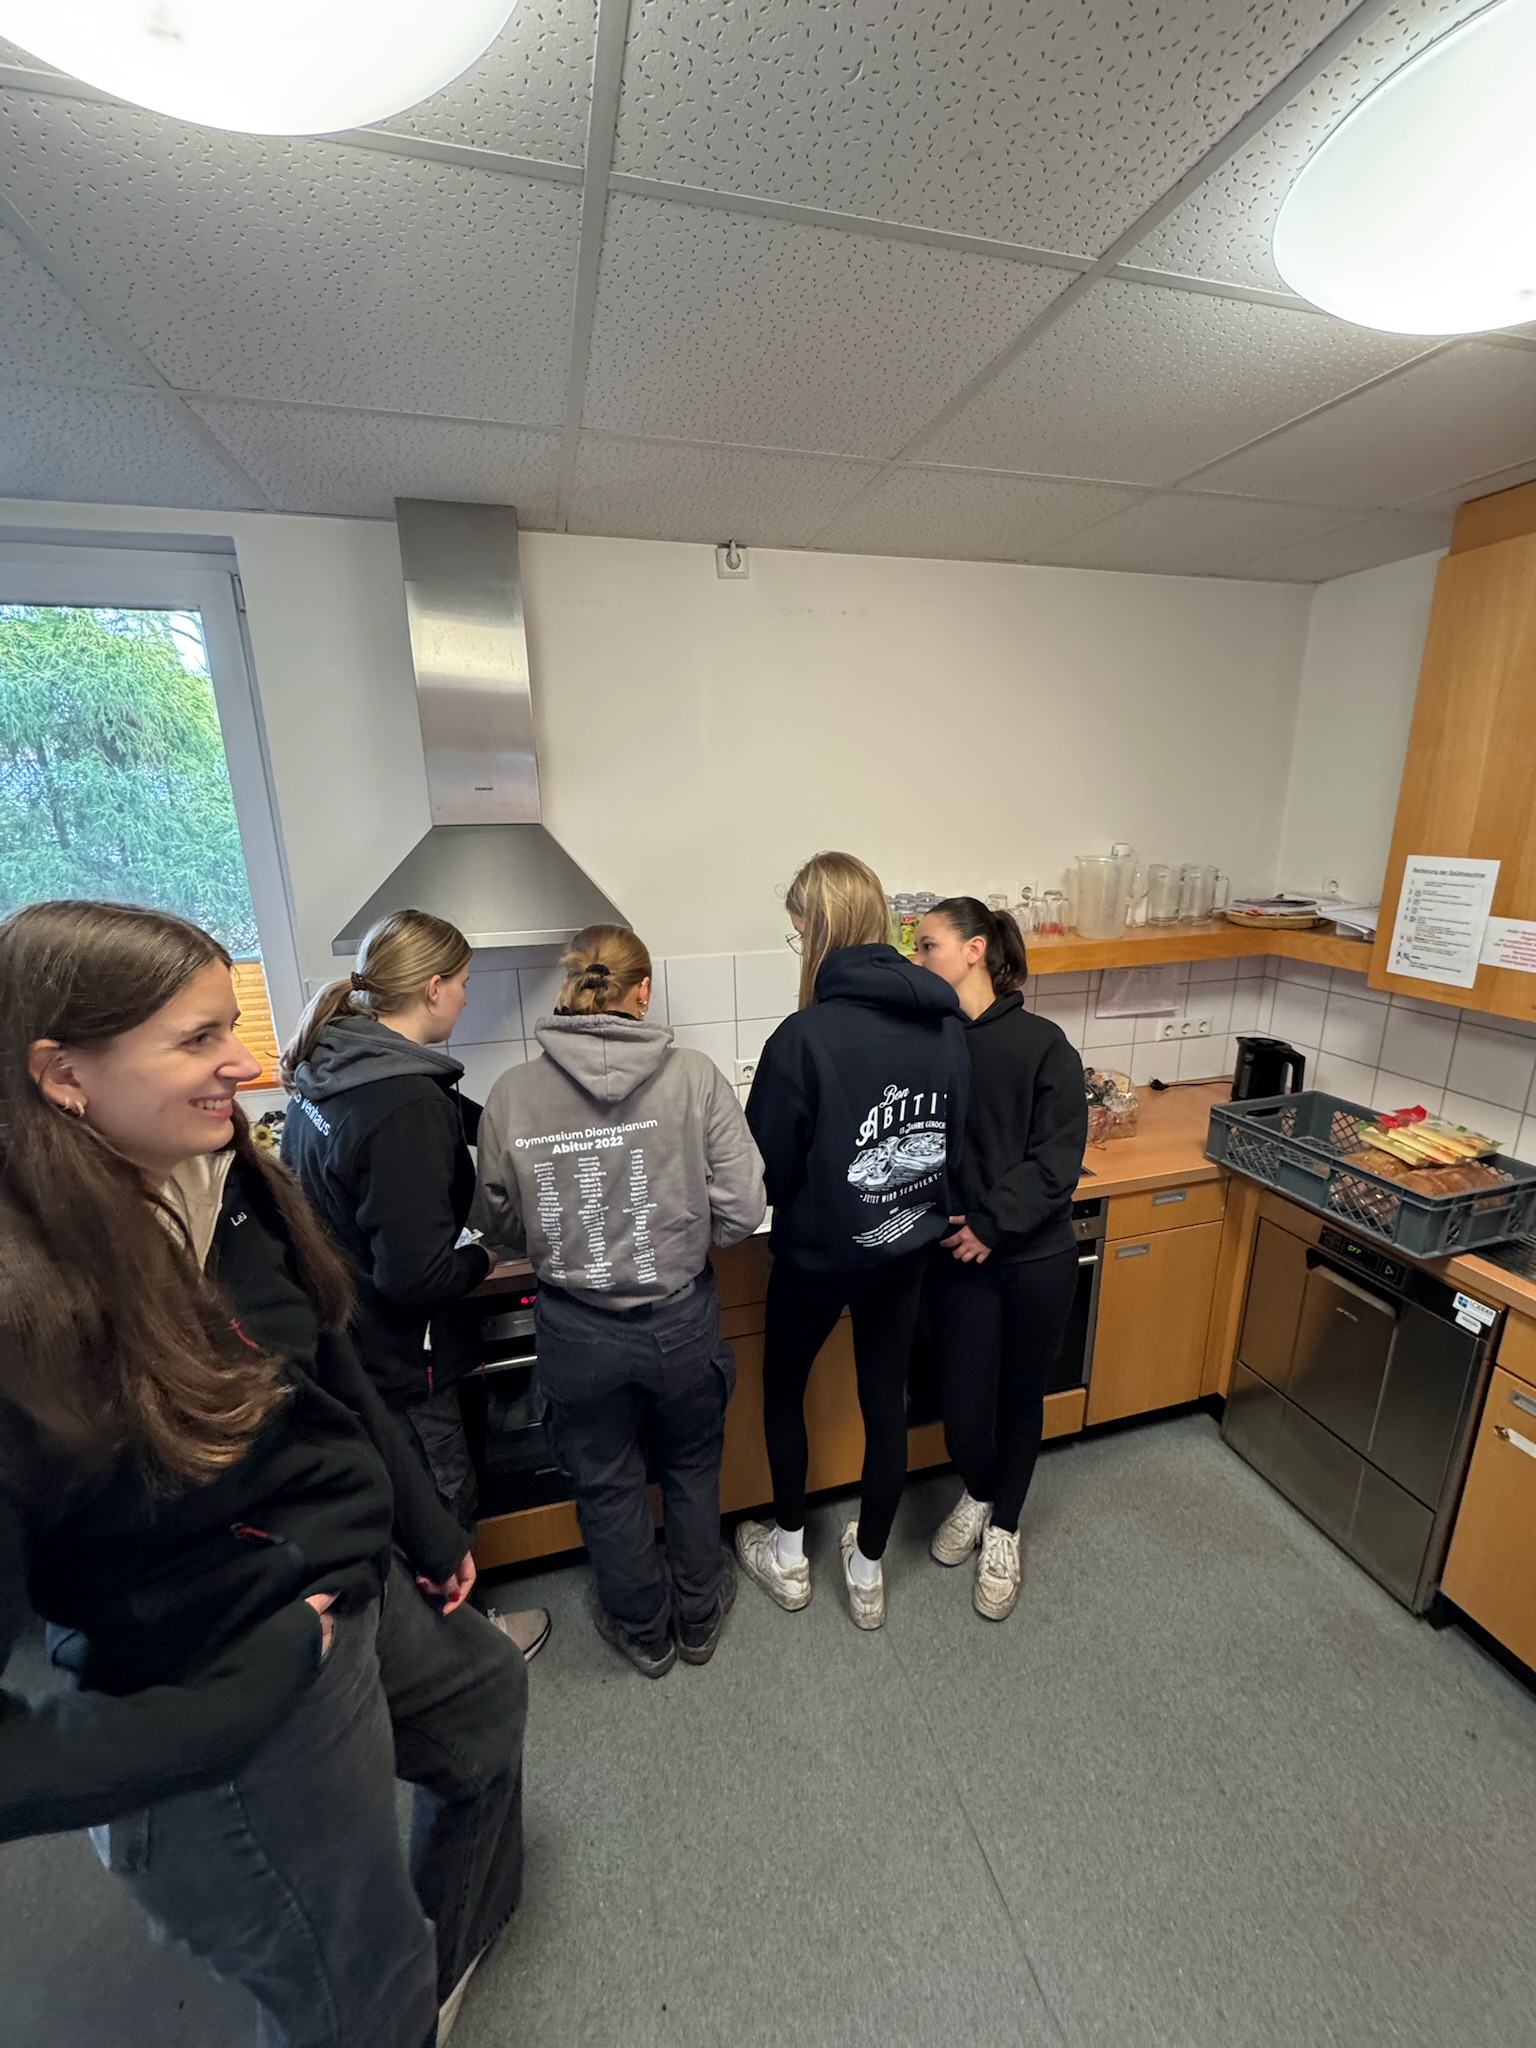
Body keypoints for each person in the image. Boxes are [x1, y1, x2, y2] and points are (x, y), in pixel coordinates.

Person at [0, 899, 527, 2048]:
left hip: (347, 1580)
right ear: (63, 1075)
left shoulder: (220, 1172)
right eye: (197, 1039)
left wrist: (426, 1525)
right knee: (354, 1988)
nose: (244, 1062)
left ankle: (433, 1971)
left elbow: (327, 1362)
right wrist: (230, 1700)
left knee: (486, 1706)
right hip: (220, 1674)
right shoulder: (27, 1303)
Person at [474, 925, 765, 1680]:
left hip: (576, 1328)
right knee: (692, 1466)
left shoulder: (512, 1093)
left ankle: (644, 1632)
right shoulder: (695, 1077)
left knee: (605, 1482)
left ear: (568, 988)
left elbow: (498, 1222)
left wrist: (558, 1238)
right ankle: (698, 1617)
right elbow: (743, 1208)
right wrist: (686, 1233)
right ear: (643, 991)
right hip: (679, 1320)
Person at [281, 907, 548, 1660]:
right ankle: (464, 1649)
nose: (465, 997)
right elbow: (419, 1275)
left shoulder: (337, 1058)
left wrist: (532, 1122)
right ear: (432, 987)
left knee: (404, 1486)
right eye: (462, 983)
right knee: (439, 1492)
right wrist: (484, 1256)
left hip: (346, 1329)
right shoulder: (402, 1104)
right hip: (402, 1350)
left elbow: (452, 1111)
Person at [735, 852, 969, 1630]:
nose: (796, 941)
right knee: (884, 1400)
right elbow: (950, 1139)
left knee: (783, 1390)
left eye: (797, 929)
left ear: (818, 928)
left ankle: (789, 1555)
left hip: (815, 1257)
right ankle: (868, 1571)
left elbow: (763, 1171)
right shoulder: (946, 1023)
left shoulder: (803, 1038)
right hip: (904, 1247)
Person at [912, 896, 1088, 1620]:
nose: (918, 957)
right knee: (960, 1409)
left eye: (928, 944)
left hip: (1035, 1257)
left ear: (975, 949)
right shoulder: (927, 1041)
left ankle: (1005, 1528)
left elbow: (1057, 1161)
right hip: (956, 1261)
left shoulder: (1045, 1045)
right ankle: (980, 1490)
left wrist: (990, 1223)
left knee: (1019, 1397)